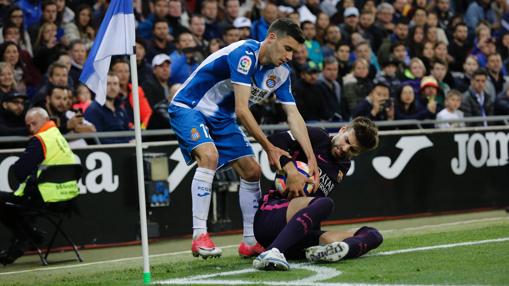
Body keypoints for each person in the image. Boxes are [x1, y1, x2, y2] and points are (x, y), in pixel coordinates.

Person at [168, 18, 319, 259]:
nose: (290, 57)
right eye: (287, 48)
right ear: (271, 38)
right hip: (190, 106)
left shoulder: (281, 73)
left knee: (252, 172)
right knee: (209, 156)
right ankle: (199, 236)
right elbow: (242, 109)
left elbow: (293, 115)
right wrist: (269, 147)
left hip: (221, 118)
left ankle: (250, 241)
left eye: (294, 52)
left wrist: (311, 158)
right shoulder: (244, 54)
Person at [253, 117, 383, 271]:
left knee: (373, 234)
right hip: (271, 216)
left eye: (353, 150)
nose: (345, 149)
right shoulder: (317, 137)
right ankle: (272, 252)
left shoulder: (344, 165)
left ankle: (342, 250)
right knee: (325, 203)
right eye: (347, 140)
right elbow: (274, 140)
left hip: (298, 233)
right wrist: (291, 170)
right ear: (343, 129)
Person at [0, 107, 79, 265]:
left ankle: (28, 236)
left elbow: (19, 172)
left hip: (44, 200)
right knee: (15, 205)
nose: (31, 129)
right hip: (67, 201)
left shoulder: (40, 140)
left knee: (5, 203)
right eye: (28, 125)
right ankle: (30, 235)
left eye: (34, 124)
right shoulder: (58, 136)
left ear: (45, 120)